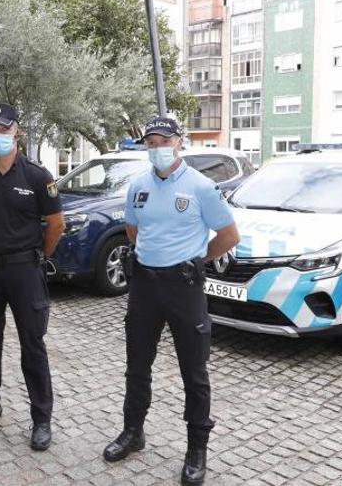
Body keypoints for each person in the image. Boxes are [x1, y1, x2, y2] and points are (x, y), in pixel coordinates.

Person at [102, 116, 240, 485]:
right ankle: (133, 432)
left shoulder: (201, 187)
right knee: (137, 366)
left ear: (180, 142)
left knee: (194, 373)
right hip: (145, 287)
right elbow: (133, 229)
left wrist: (196, 259)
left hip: (184, 288)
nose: (158, 147)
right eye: (151, 141)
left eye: (164, 140)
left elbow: (228, 234)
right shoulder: (138, 186)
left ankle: (197, 450)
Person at [0, 103, 66, 451]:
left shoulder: (37, 175)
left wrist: (37, 256)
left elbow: (56, 225)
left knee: (32, 345)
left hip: (24, 271)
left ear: (16, 131)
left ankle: (41, 418)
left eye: (5, 129)